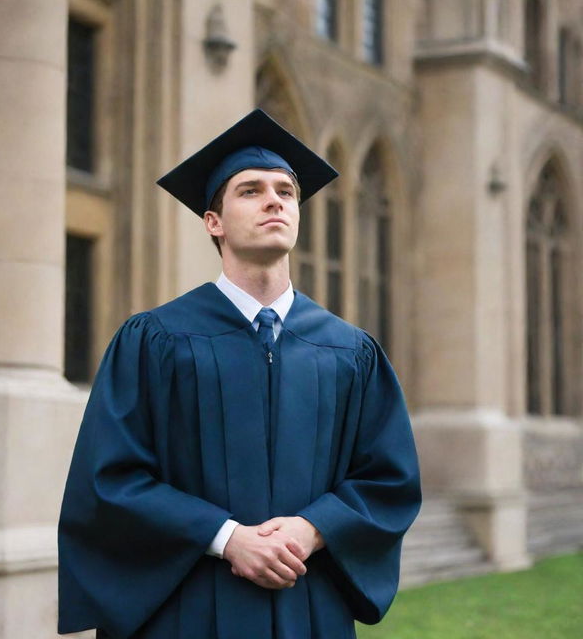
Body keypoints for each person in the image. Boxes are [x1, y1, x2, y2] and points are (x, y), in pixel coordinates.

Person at [58, 109, 421, 639]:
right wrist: (226, 537)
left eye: (286, 192)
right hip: (187, 609)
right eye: (250, 190)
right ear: (214, 221)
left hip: (308, 606)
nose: (275, 200)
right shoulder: (154, 340)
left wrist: (314, 527)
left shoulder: (350, 351)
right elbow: (111, 478)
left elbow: (388, 479)